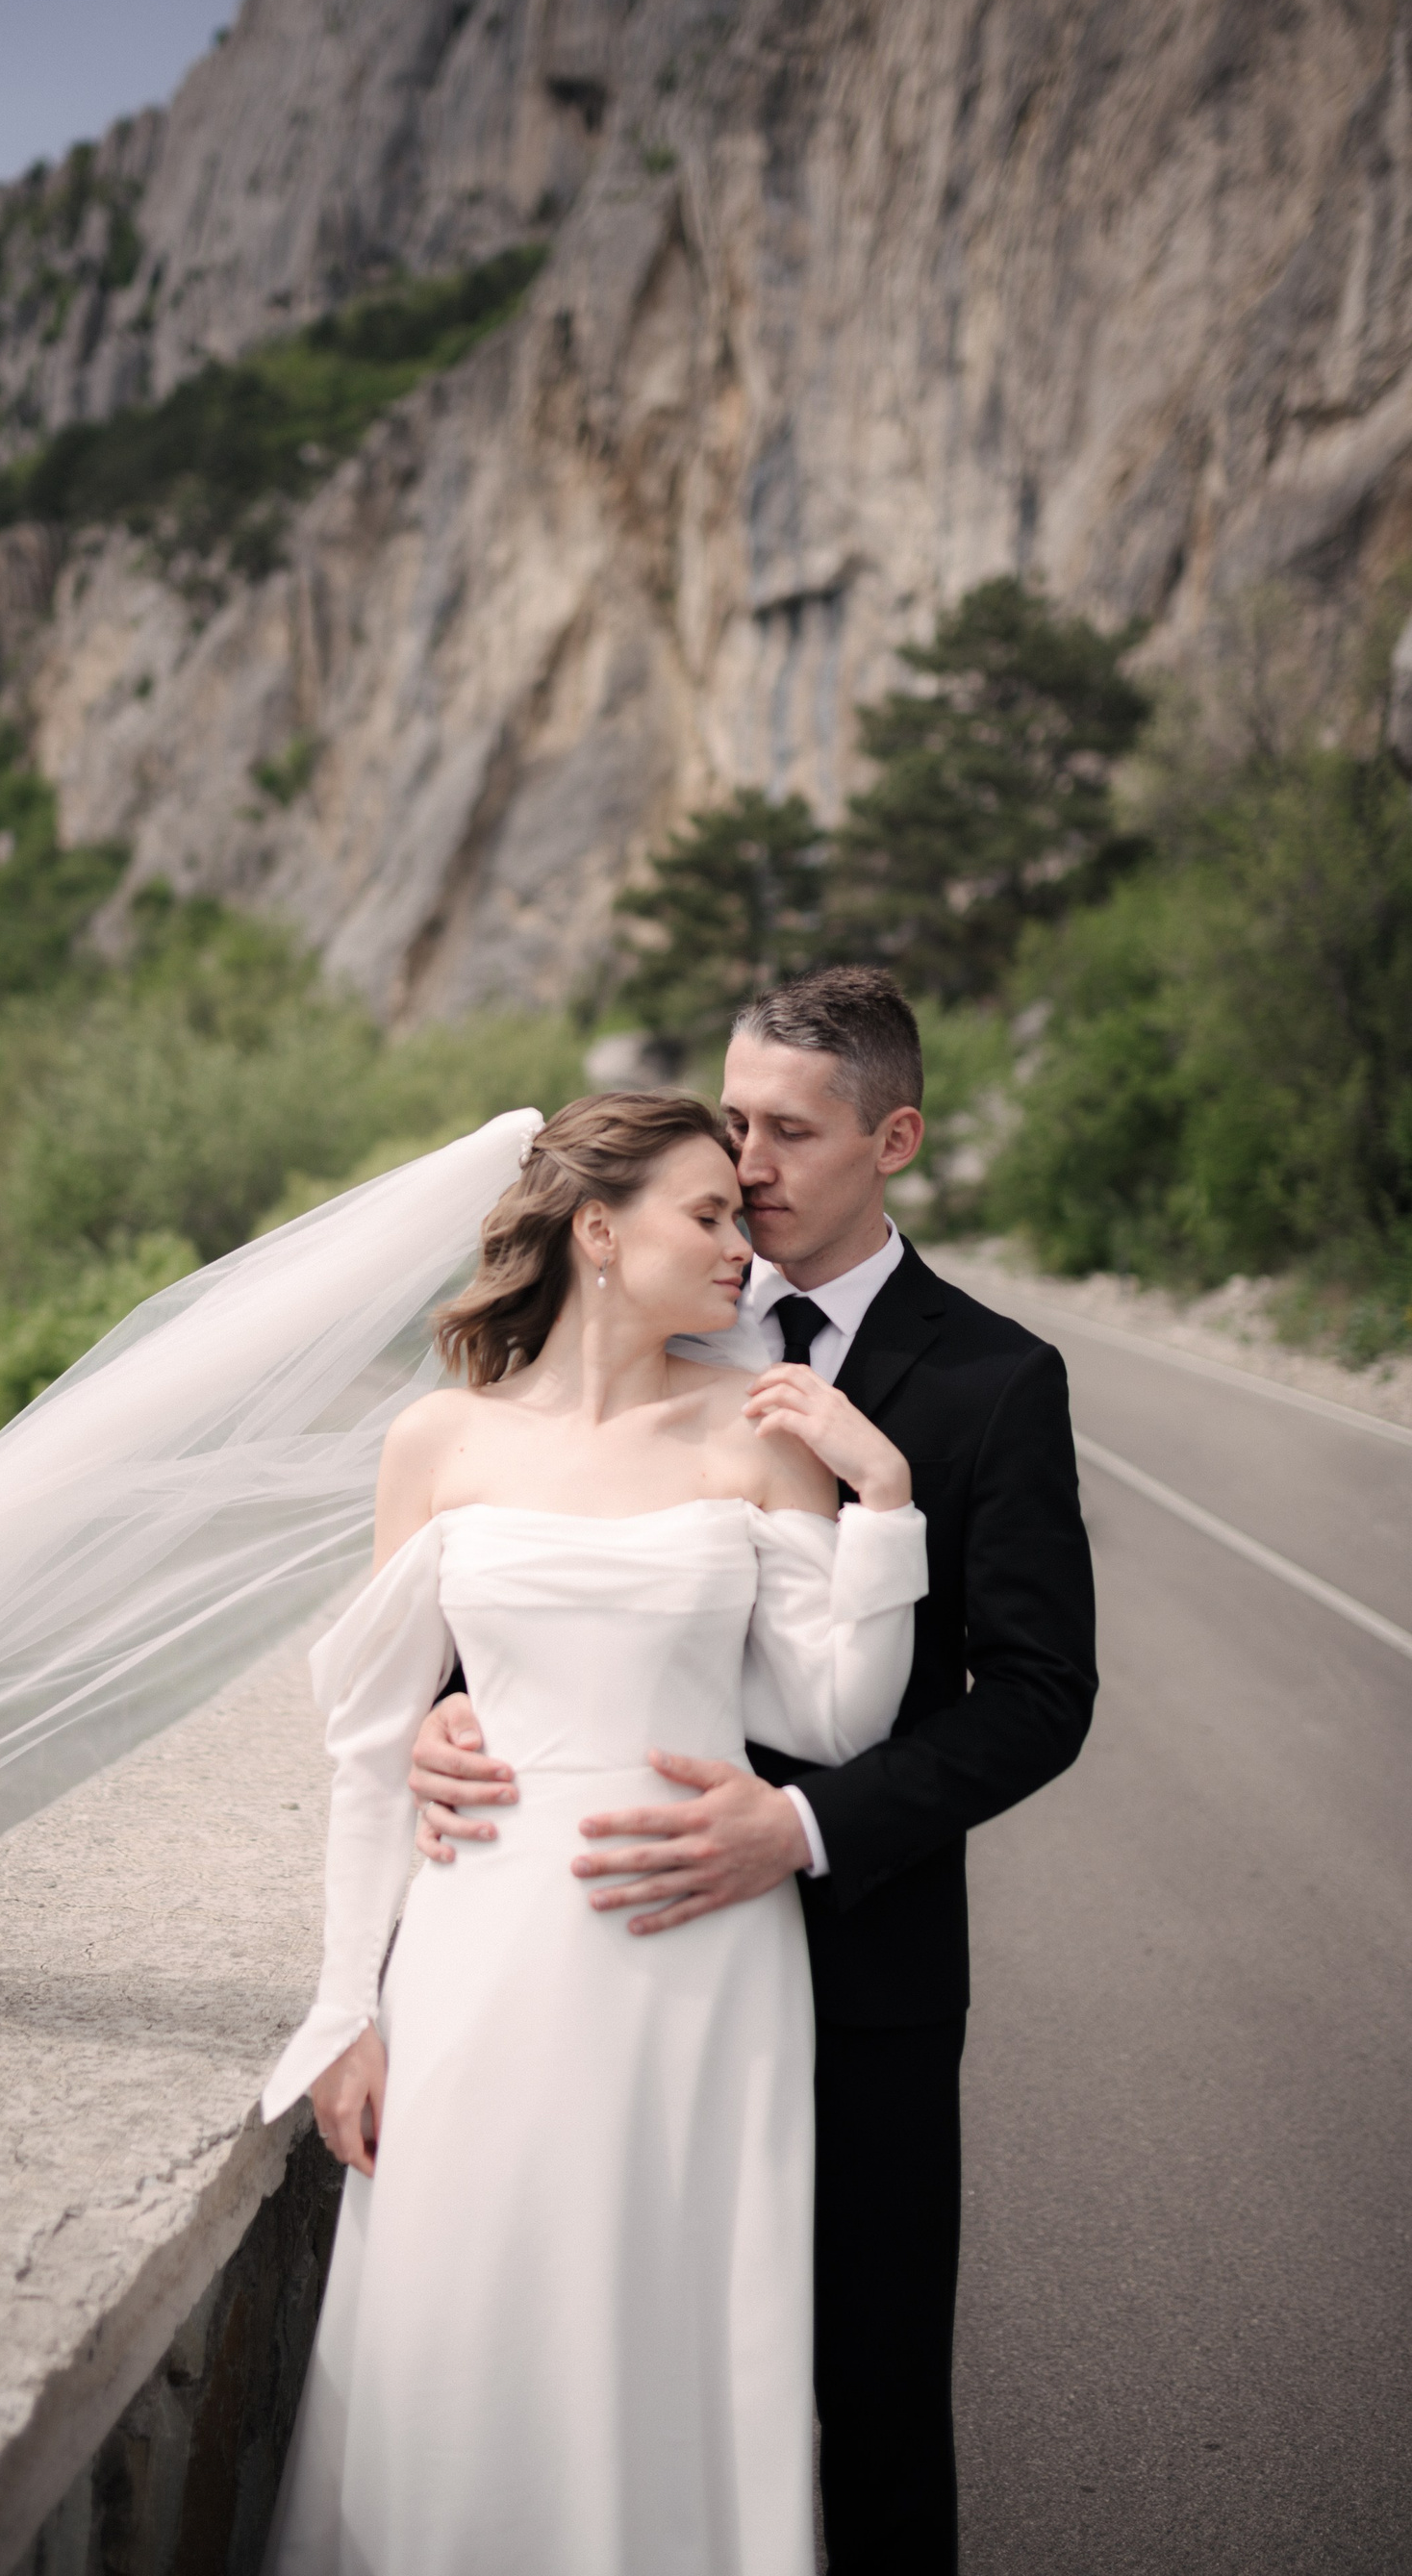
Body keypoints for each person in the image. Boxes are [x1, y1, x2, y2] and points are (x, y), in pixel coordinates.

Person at [412, 967, 1097, 2576]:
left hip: (861, 1963)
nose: (750, 1162)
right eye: (734, 1123)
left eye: (790, 1130)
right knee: (603, 2363)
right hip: (605, 1960)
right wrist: (447, 1709)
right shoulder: (665, 1310)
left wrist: (801, 1825)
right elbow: (525, 1547)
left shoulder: (996, 1381)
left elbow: (1040, 1697)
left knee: (870, 2396)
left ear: (894, 1141)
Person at [258, 1089, 930, 2576]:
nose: (743, 1248)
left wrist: (883, 1496)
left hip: (704, 1962)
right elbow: (371, 1752)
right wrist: (347, 2010)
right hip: (483, 1950)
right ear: (598, 1232)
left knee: (673, 2325)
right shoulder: (439, 1442)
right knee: (467, 2309)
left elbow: (837, 1718)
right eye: (709, 1215)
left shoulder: (762, 1432)